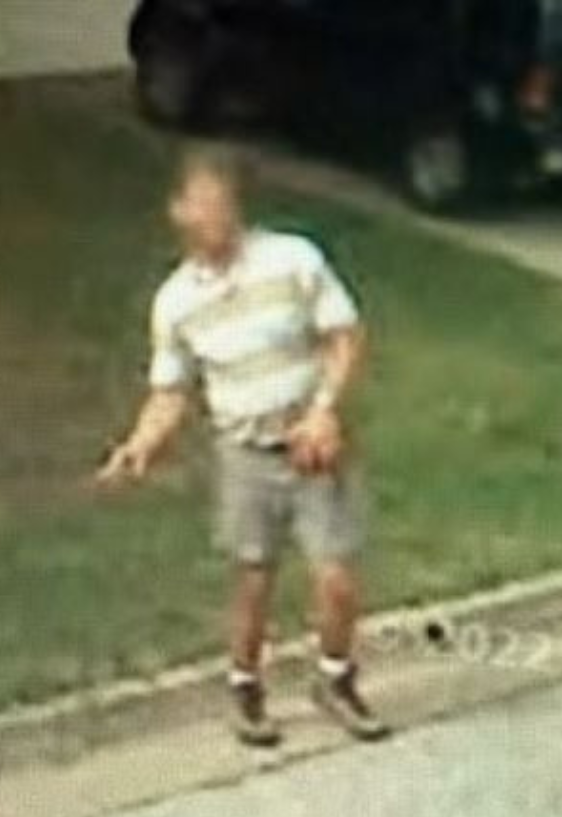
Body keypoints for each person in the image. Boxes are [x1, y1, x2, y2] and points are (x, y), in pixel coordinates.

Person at [97, 144, 387, 747]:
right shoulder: (176, 303)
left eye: (226, 205)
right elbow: (171, 391)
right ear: (179, 212)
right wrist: (140, 445)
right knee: (252, 578)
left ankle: (337, 679)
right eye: (205, 207)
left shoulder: (291, 260)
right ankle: (245, 688)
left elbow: (346, 337)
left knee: (335, 575)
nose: (218, 218)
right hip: (245, 455)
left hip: (313, 444)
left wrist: (325, 411)